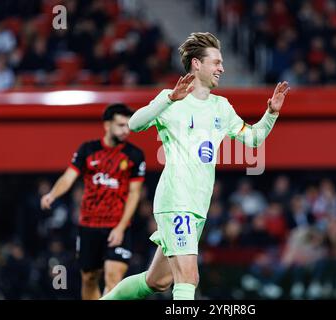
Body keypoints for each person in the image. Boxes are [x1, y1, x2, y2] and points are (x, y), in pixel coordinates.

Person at [101, 32, 290, 301]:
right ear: (196, 64)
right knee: (189, 276)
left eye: (222, 63)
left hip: (198, 205)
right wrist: (168, 100)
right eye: (216, 62)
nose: (222, 68)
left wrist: (271, 113)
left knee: (157, 281)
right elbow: (133, 124)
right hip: (177, 199)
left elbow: (253, 138)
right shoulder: (172, 99)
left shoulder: (221, 107)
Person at [40, 104, 146, 300]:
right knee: (89, 278)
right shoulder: (88, 150)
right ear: (107, 125)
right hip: (89, 226)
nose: (126, 130)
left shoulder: (134, 155)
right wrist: (52, 195)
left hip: (118, 226)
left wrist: (121, 227)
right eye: (121, 125)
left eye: (128, 125)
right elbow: (68, 177)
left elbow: (134, 193)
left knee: (113, 278)